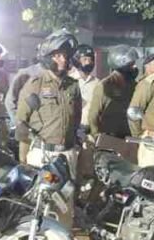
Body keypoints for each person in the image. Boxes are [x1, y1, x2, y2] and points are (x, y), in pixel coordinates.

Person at [16, 32, 83, 227]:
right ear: (48, 57)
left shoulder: (73, 86)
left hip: (66, 156)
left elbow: (76, 119)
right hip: (42, 157)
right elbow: (21, 123)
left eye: (65, 55)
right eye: (58, 55)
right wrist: (23, 160)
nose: (63, 60)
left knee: (65, 206)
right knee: (38, 205)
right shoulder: (35, 84)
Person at [88, 46, 140, 139]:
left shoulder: (133, 85)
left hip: (129, 136)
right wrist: (96, 136)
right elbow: (93, 115)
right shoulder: (105, 85)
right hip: (110, 138)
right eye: (131, 65)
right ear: (121, 64)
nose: (135, 67)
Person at [69, 44, 98, 128]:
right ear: (77, 60)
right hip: (73, 129)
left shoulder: (98, 83)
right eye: (85, 59)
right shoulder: (69, 81)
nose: (88, 62)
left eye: (91, 59)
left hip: (92, 129)